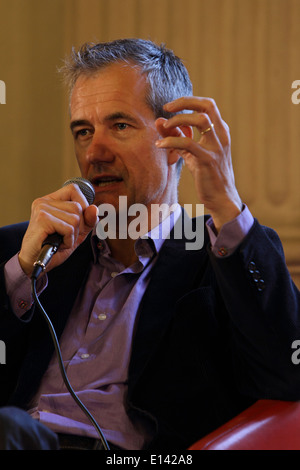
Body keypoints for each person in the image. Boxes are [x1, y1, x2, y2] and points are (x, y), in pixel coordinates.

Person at [0, 38, 299, 451]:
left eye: (119, 126)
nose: (94, 152)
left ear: (175, 140)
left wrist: (226, 204)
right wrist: (22, 274)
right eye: (83, 131)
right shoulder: (22, 249)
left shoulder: (222, 255)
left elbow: (288, 372)